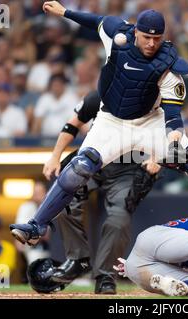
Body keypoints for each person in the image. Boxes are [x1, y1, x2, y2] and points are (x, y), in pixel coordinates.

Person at [10, 1, 188, 252]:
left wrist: (175, 134)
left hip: (150, 122)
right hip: (111, 122)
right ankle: (36, 226)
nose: (151, 43)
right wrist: (64, 12)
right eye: (146, 37)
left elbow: (172, 114)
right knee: (79, 168)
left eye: (157, 38)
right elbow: (95, 21)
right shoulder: (116, 33)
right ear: (136, 32)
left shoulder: (169, 65)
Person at [39, 90, 160, 294]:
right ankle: (78, 259)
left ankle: (105, 275)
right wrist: (55, 156)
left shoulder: (148, 97)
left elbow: (166, 130)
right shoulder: (101, 94)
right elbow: (73, 124)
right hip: (93, 162)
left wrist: (157, 157)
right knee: (63, 199)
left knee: (118, 220)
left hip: (127, 169)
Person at [14, 181, 50, 265]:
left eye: (40, 192)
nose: (37, 195)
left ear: (46, 193)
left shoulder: (51, 206)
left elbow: (48, 234)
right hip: (32, 249)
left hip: (53, 249)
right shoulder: (26, 207)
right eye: (35, 192)